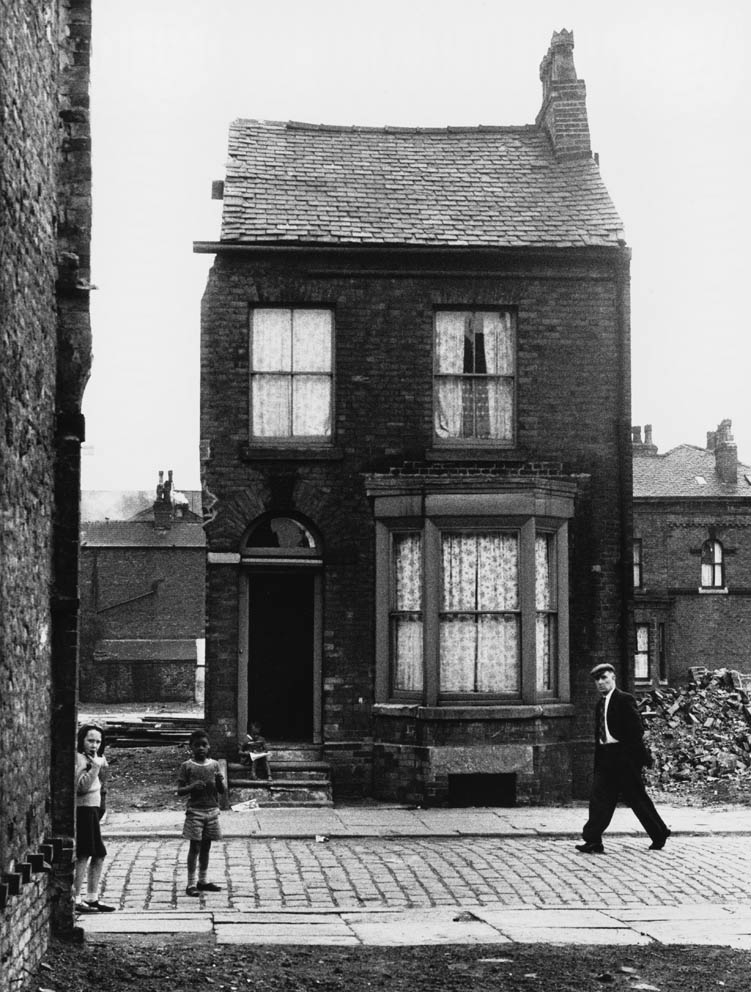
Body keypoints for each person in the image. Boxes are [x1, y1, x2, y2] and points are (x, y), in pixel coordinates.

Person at [577, 662, 670, 854]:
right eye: (597, 680)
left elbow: (637, 731)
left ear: (613, 678)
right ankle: (593, 840)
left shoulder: (624, 699)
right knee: (599, 799)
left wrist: (633, 759)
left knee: (636, 799)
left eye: (604, 678)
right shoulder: (600, 704)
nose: (600, 683)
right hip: (605, 758)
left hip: (624, 758)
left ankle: (659, 833)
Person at [74, 724, 116, 913]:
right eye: (90, 740)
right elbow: (81, 787)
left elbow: (102, 784)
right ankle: (75, 897)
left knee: (99, 854)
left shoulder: (96, 759)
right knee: (84, 853)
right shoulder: (79, 759)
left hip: (93, 809)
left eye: (98, 741)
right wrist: (95, 768)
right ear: (82, 740)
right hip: (83, 810)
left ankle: (92, 897)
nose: (94, 745)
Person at [177, 729, 225, 896]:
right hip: (195, 812)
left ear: (209, 746)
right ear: (191, 747)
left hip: (212, 811)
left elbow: (221, 791)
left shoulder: (215, 765)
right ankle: (191, 883)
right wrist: (192, 786)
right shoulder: (187, 766)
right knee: (195, 846)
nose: (201, 748)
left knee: (206, 846)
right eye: (197, 745)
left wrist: (219, 781)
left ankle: (202, 880)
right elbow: (180, 790)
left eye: (204, 745)